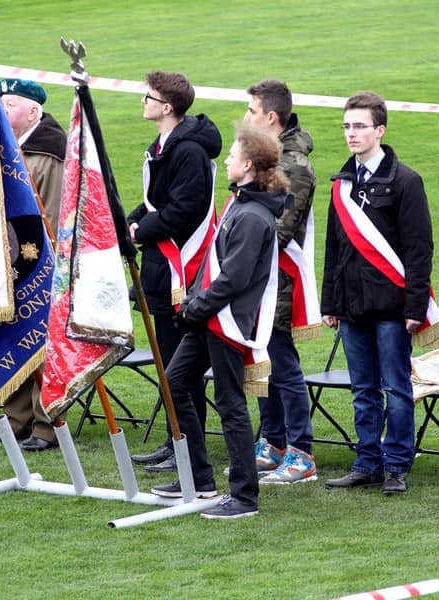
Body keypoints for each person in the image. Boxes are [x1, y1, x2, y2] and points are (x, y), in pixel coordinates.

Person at [151, 124, 287, 519]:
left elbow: (234, 278)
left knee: (231, 406)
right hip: (209, 317)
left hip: (225, 322)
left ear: (248, 165)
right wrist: (195, 305)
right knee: (175, 383)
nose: (226, 160)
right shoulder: (241, 205)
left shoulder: (252, 215)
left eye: (233, 155)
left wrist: (195, 308)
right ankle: (199, 478)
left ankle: (244, 496)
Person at [321, 91, 433, 494]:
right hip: (351, 305)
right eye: (347, 126)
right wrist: (330, 302)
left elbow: (419, 250)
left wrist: (415, 306)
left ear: (380, 130)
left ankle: (396, 465)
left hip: (391, 305)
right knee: (362, 390)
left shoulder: (406, 181)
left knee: (396, 389)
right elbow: (333, 249)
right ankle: (367, 461)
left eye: (360, 126)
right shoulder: (341, 184)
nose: (351, 133)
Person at [127, 71, 221, 473]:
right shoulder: (164, 146)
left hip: (180, 273)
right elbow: (155, 202)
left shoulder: (188, 152)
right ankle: (174, 439)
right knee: (169, 365)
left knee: (180, 370)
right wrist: (130, 222)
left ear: (167, 107)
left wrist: (140, 230)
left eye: (148, 97)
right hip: (162, 270)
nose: (142, 102)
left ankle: (186, 446)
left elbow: (184, 210)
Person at [0, 78, 66, 452]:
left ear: (33, 111)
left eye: (10, 104)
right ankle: (17, 419)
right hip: (8, 261)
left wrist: (28, 264)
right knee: (14, 337)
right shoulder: (3, 146)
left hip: (37, 264)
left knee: (41, 342)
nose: (2, 109)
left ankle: (46, 425)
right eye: (1, 102)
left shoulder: (50, 154)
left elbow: (51, 216)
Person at [242, 80, 318, 484]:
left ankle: (301, 452)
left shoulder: (294, 165)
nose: (245, 119)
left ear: (271, 117)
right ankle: (272, 444)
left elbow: (280, 230)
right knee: (264, 363)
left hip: (278, 281)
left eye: (251, 111)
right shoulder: (269, 158)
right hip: (257, 279)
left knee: (283, 366)